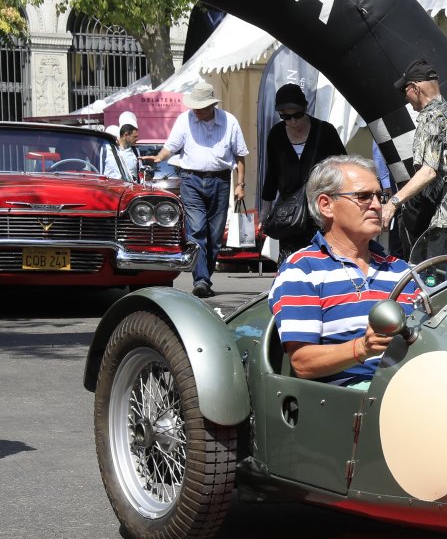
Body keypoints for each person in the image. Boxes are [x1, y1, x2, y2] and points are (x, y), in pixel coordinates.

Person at [269, 155, 418, 387]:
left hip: (416, 386)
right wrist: (362, 348)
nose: (377, 205)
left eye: (379, 196)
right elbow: (302, 362)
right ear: (326, 205)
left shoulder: (401, 269)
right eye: (363, 196)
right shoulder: (302, 269)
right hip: (351, 397)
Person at [145, 80, 249, 299]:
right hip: (191, 180)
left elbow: (240, 155)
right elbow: (171, 146)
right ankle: (200, 280)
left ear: (212, 105)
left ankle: (204, 278)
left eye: (200, 107)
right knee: (196, 230)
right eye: (194, 106)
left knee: (215, 236)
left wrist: (240, 185)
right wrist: (159, 157)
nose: (196, 111)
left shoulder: (229, 121)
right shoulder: (185, 120)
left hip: (220, 181)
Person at [379, 59, 447, 262]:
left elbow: (428, 172)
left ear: (415, 88)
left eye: (405, 91)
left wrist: (393, 203)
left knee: (430, 278)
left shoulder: (432, 116)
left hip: (443, 219)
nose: (405, 98)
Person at [259, 83, 347, 256]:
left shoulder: (325, 131)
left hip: (321, 210)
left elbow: (343, 167)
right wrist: (265, 211)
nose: (293, 121)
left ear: (305, 108)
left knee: (323, 259)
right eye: (285, 117)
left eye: (297, 115)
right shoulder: (276, 134)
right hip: (290, 215)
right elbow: (272, 174)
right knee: (293, 262)